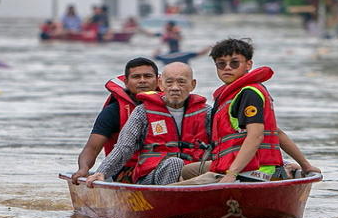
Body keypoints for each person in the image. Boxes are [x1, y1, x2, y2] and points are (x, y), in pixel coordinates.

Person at [180, 38, 321, 184]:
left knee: (177, 189)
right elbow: (276, 133)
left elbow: (256, 136)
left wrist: (231, 174)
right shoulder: (236, 93)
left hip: (251, 171)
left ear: (248, 64)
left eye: (234, 63)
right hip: (237, 164)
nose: (227, 67)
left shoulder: (248, 94)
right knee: (186, 171)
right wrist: (306, 166)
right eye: (221, 64)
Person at [85, 62, 211, 187]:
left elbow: (221, 145)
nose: (175, 88)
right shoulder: (142, 111)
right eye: (169, 82)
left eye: (181, 82)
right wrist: (102, 171)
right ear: (160, 84)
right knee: (174, 163)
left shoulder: (207, 112)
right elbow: (124, 147)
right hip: (151, 175)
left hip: (194, 173)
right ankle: (167, 201)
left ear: (192, 85)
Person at [71, 57, 159, 185]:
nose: (142, 81)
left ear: (157, 81)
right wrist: (84, 168)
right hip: (127, 171)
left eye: (148, 76)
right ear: (126, 82)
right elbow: (92, 148)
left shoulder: (172, 106)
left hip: (161, 165)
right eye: (136, 77)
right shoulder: (113, 111)